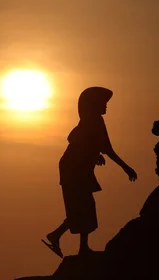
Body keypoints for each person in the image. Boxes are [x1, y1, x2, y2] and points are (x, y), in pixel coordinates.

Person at [42, 87, 137, 258]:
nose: (106, 106)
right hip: (74, 169)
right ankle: (71, 242)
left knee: (83, 207)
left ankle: (63, 238)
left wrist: (95, 155)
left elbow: (98, 145)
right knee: (83, 206)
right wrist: (125, 167)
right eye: (103, 103)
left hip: (78, 168)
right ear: (94, 105)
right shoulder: (93, 121)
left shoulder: (93, 121)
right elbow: (79, 140)